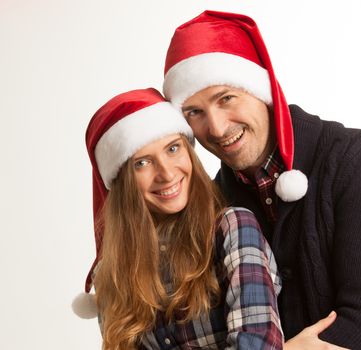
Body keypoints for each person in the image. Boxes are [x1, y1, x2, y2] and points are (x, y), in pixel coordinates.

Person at [162, 10, 361, 349]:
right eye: (194, 113)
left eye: (226, 98)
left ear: (261, 88)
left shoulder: (354, 161)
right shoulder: (215, 206)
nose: (216, 127)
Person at [72, 88, 286, 349]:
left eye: (173, 149)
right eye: (142, 163)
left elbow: (257, 344)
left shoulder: (232, 229)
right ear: (123, 183)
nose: (166, 173)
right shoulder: (111, 271)